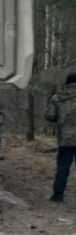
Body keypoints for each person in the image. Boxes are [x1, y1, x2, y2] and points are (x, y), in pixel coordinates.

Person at [46, 71, 76, 202]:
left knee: (63, 167)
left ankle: (58, 195)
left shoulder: (57, 97)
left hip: (65, 139)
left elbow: (50, 116)